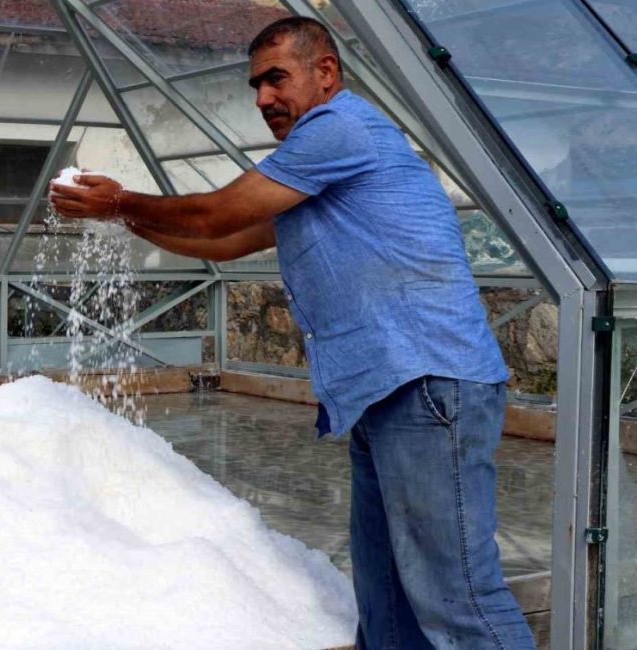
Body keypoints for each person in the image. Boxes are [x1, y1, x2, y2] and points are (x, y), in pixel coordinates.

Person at [48, 15, 535, 650]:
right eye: (255, 86)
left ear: (325, 73)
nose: (263, 99)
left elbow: (214, 211)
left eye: (276, 79)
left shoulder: (339, 128)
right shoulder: (312, 168)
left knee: (458, 597)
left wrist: (119, 203)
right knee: (387, 602)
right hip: (386, 393)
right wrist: (119, 219)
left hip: (427, 384)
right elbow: (220, 240)